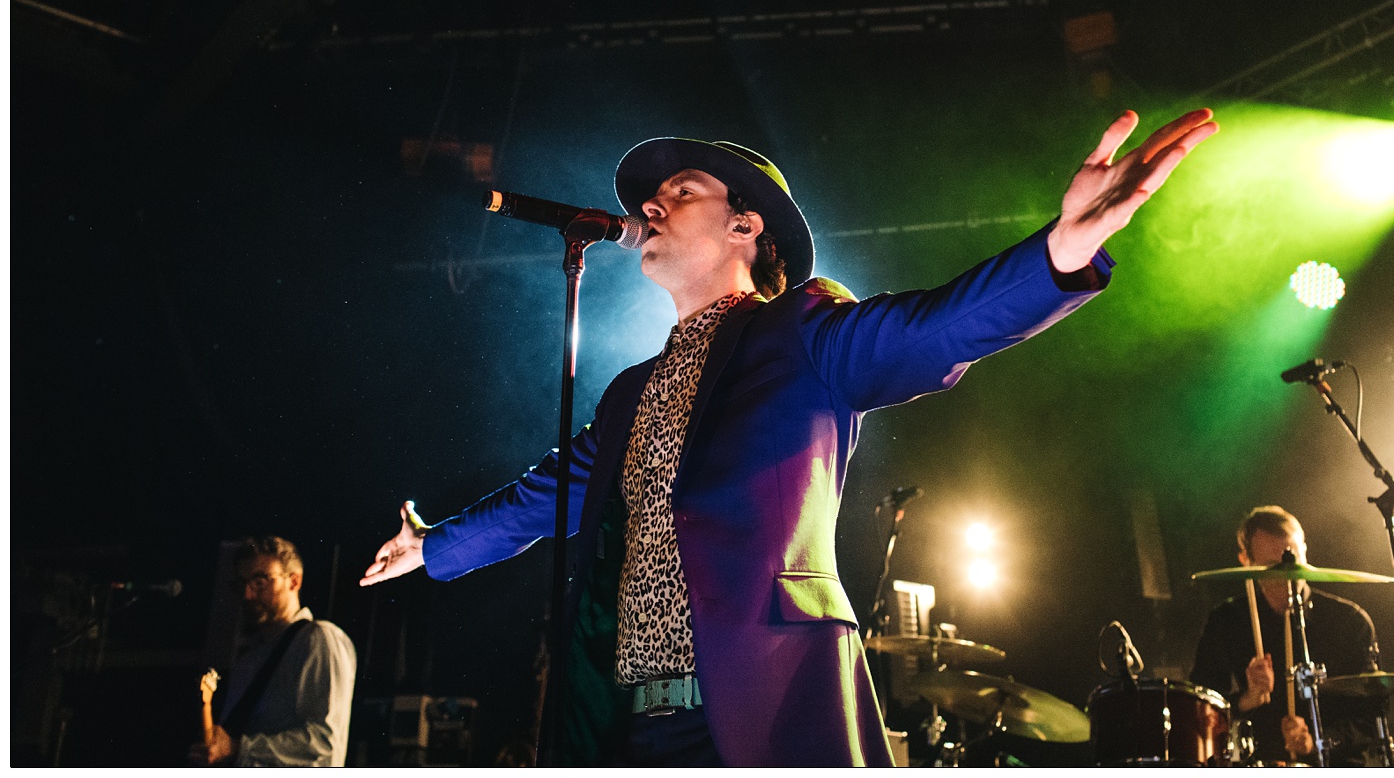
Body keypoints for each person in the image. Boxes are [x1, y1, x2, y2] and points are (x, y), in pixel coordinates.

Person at [362, 109, 1218, 766]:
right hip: (629, 724)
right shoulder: (631, 392)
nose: (651, 205)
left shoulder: (801, 327)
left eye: (681, 190)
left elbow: (931, 332)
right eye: (650, 199)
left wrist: (1060, 252)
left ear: (747, 226)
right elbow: (550, 493)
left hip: (760, 703)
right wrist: (436, 546)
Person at [1191, 506, 1387, 766]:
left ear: (1304, 550)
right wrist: (1247, 700)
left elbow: (1371, 718)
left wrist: (1319, 741)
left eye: (1292, 559)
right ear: (1246, 562)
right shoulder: (1227, 620)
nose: (1287, 573)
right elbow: (1200, 707)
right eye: (1273, 566)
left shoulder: (1350, 621)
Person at [191, 536, 358, 767]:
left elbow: (325, 746)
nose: (248, 595)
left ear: (294, 581)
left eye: (260, 582)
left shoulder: (318, 638)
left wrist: (239, 748)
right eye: (242, 584)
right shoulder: (247, 658)